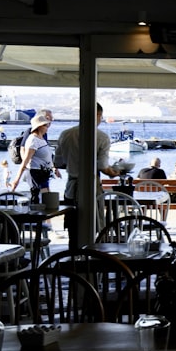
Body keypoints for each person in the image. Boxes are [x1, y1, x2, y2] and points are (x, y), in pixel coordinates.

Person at [54, 103, 120, 249]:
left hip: (71, 188)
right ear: (98, 115)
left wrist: (74, 163)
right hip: (92, 188)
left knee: (73, 228)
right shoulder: (101, 137)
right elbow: (103, 166)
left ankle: (74, 259)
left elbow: (57, 162)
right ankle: (93, 260)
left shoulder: (66, 134)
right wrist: (114, 172)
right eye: (101, 117)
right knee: (94, 227)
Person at [10, 114, 60, 201]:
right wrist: (16, 180)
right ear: (39, 127)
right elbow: (25, 161)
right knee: (41, 200)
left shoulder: (41, 139)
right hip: (35, 174)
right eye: (45, 125)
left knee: (47, 199)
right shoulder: (33, 140)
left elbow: (47, 157)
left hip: (44, 174)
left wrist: (54, 168)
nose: (47, 127)